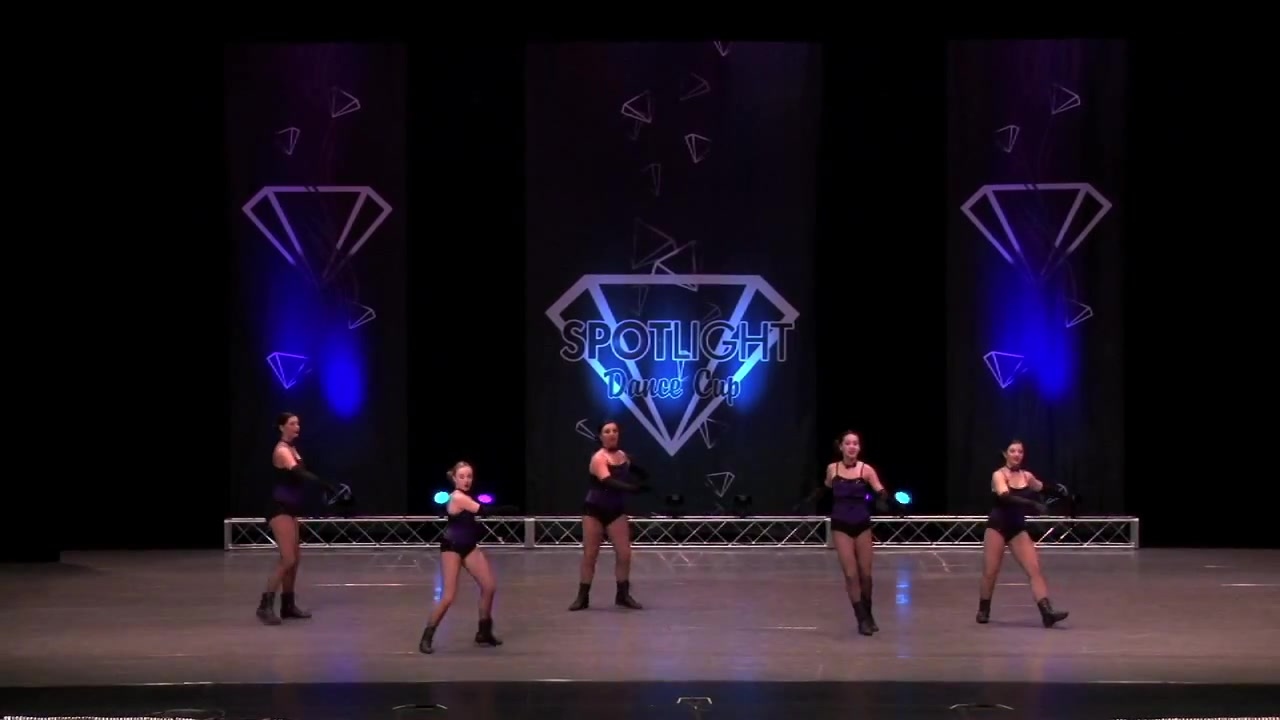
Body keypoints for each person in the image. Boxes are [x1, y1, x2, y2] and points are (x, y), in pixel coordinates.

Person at [976, 439, 1070, 628]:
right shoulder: (999, 475)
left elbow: (1042, 488)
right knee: (990, 572)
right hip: (997, 527)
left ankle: (1047, 613)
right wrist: (1033, 504)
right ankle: (983, 609)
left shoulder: (1027, 476)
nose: (1017, 454)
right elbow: (1005, 497)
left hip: (1017, 528)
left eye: (1020, 451)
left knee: (1034, 569)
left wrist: (1064, 494)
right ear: (1005, 454)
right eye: (1013, 451)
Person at [419, 462, 502, 653]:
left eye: (469, 476)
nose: (466, 480)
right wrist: (510, 509)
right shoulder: (457, 497)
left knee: (489, 587)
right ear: (454, 479)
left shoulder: (466, 496)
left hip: (469, 547)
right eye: (462, 477)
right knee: (448, 596)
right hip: (452, 547)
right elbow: (483, 511)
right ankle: (427, 636)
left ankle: (484, 632)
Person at [567, 420, 649, 611]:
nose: (612, 434)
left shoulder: (623, 456)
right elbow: (608, 481)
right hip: (594, 510)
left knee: (624, 553)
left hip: (616, 510)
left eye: (615, 430)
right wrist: (633, 489)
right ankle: (582, 597)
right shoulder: (598, 458)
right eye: (607, 431)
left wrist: (643, 477)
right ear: (601, 436)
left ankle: (623, 595)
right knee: (590, 554)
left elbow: (636, 470)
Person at [825, 430, 890, 636]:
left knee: (866, 575)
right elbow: (826, 487)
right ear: (841, 447)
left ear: (859, 447)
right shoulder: (832, 469)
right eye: (848, 443)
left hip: (862, 524)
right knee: (851, 574)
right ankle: (861, 619)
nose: (852, 446)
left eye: (855, 443)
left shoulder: (866, 469)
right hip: (840, 525)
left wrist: (884, 498)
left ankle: (868, 613)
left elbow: (879, 489)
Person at [256, 412, 315, 625]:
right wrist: (326, 485)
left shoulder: (292, 448)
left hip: (291, 507)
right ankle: (264, 606)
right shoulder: (282, 450)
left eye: (298, 423)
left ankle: (288, 605)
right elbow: (298, 473)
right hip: (278, 508)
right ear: (282, 427)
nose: (297, 426)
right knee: (287, 558)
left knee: (295, 559)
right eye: (292, 423)